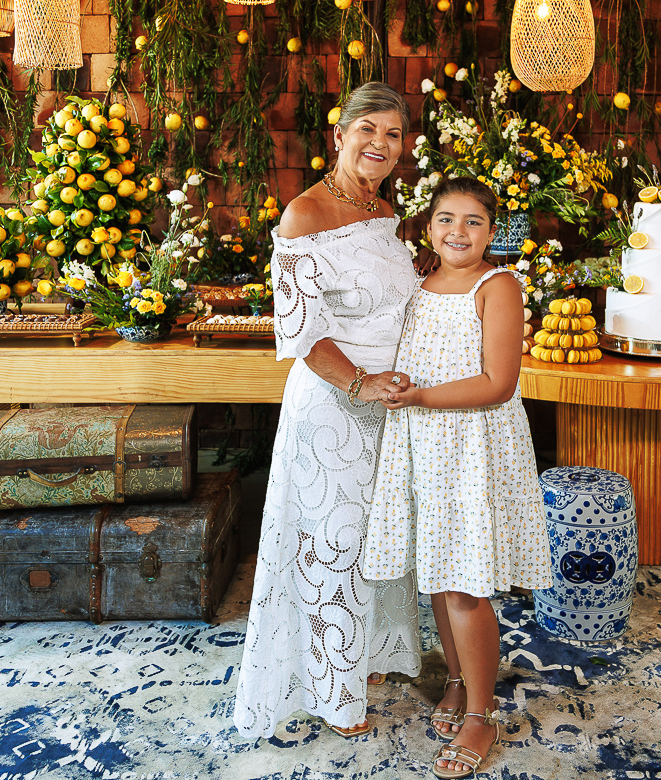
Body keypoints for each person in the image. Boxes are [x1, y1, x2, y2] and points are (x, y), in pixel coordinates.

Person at [233, 83, 422, 740]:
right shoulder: (304, 214)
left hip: (390, 405)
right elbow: (301, 329)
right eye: (368, 129)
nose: (380, 144)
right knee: (332, 545)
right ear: (338, 136)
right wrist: (360, 383)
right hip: (334, 407)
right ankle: (334, 692)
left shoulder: (381, 209)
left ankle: (365, 656)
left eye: (393, 134)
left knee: (378, 537)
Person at [362, 177, 552, 778]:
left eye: (473, 221)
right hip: (424, 447)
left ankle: (481, 714)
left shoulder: (498, 287)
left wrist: (419, 395)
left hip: (473, 449)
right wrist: (397, 385)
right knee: (441, 578)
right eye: (446, 219)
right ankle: (460, 678)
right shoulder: (418, 286)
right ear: (428, 228)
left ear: (492, 232)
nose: (458, 231)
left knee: (466, 585)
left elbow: (498, 383)